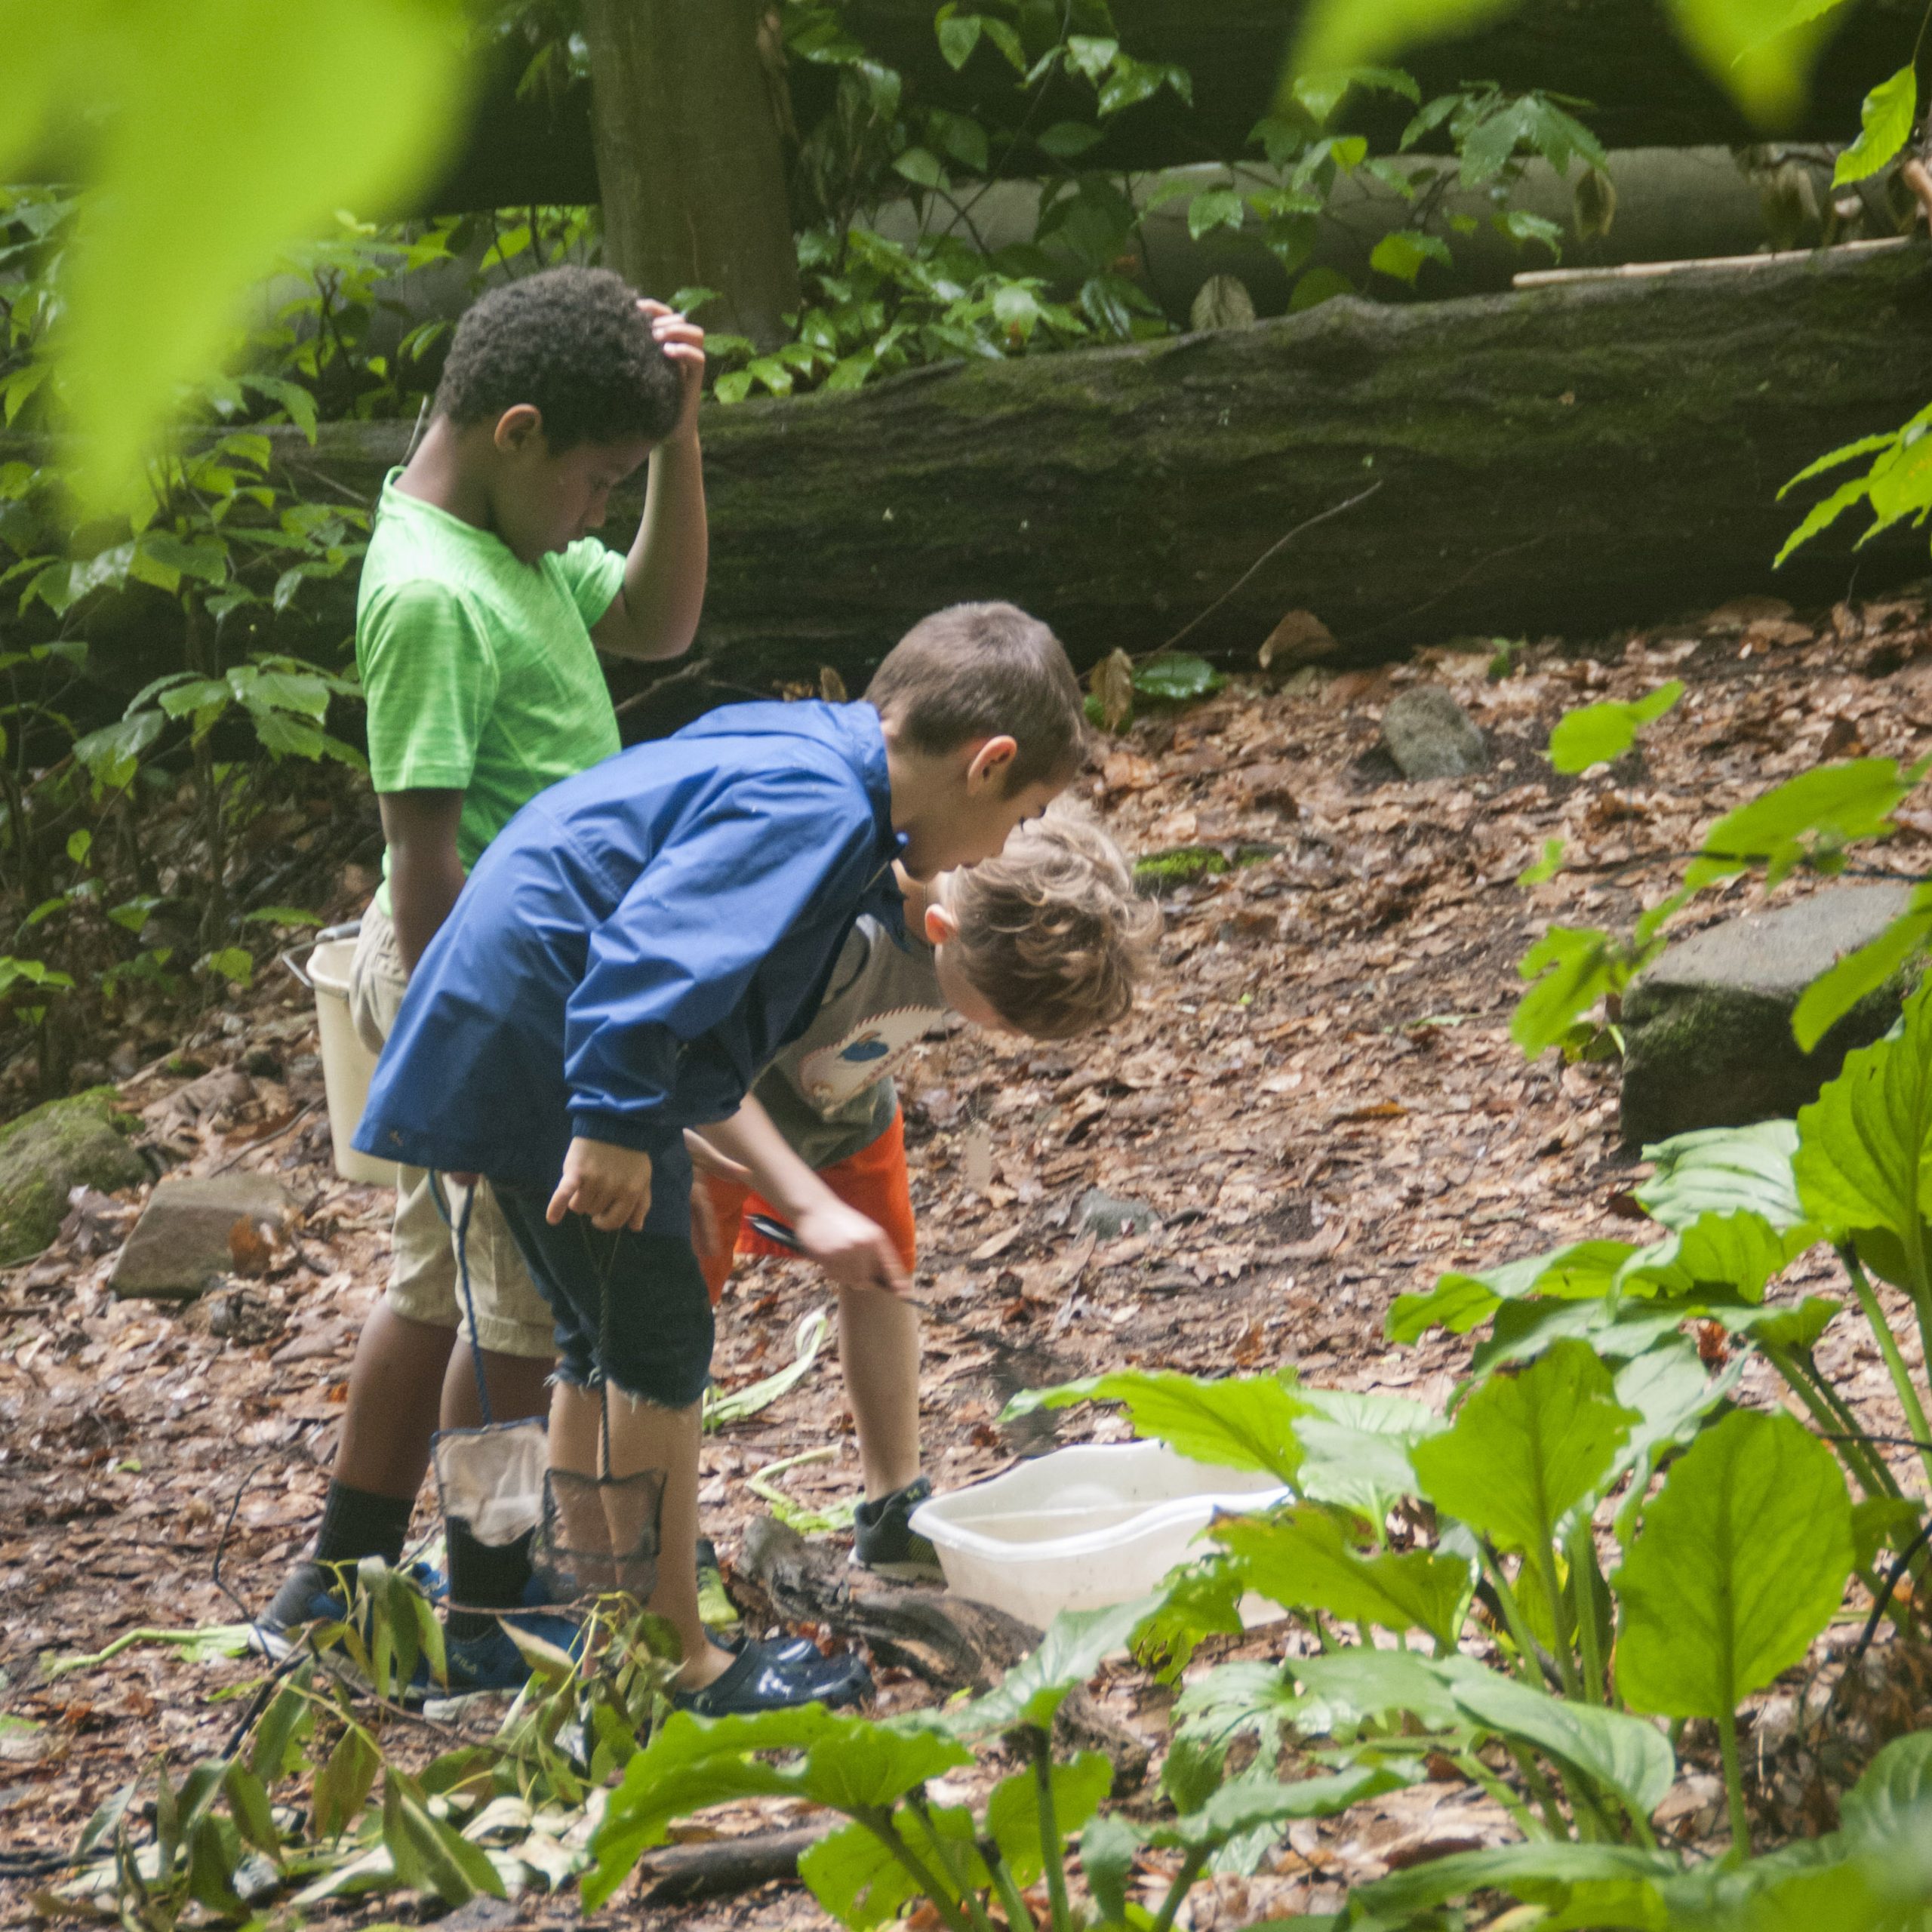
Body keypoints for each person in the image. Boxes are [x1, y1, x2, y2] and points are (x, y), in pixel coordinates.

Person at [353, 601, 1088, 1714]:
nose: (997, 850)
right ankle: (682, 1658)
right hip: (553, 1047)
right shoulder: (822, 806)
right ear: (986, 765)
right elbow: (648, 956)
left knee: (598, 1341)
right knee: (658, 1339)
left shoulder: (814, 765)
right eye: (1020, 813)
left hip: (526, 1037)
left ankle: (612, 1625)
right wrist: (608, 1123)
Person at [260, 266, 709, 1686]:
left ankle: (338, 1578)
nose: (597, 508)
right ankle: (492, 1599)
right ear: (519, 433)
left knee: (439, 1290)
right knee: (518, 1318)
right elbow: (423, 858)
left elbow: (657, 622)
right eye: (597, 479)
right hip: (486, 971)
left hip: (500, 967)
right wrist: (515, 1045)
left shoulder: (502, 541)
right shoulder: (438, 597)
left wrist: (676, 442)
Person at [693, 814, 1158, 1580]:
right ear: (939, 930)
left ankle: (892, 1505)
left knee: (884, 1275)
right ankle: (665, 1543)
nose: (999, 1032)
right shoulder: (843, 936)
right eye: (1001, 1018)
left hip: (847, 1104)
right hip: (725, 1118)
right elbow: (703, 1070)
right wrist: (790, 1196)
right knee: (677, 1320)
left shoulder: (971, 925)